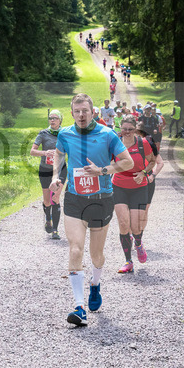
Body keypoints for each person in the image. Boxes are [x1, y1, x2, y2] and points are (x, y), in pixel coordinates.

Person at [50, 93, 134, 326]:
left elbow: (128, 162)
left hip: (101, 199)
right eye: (77, 111)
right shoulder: (65, 134)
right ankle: (79, 307)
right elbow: (58, 153)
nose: (81, 115)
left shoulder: (107, 135)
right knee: (75, 249)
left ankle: (95, 284)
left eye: (85, 111)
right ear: (72, 113)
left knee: (96, 254)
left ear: (92, 112)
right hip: (75, 199)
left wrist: (103, 171)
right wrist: (57, 176)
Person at [111, 116, 155, 273]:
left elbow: (152, 161)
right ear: (120, 129)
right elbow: (108, 162)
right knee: (123, 223)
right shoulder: (115, 144)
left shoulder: (143, 144)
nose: (127, 132)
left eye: (130, 129)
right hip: (119, 185)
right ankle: (128, 261)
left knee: (136, 226)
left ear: (136, 130)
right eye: (124, 129)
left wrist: (143, 173)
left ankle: (138, 242)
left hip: (139, 186)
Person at [31, 110, 67, 239]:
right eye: (50, 118)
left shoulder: (65, 133)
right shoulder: (43, 133)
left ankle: (55, 230)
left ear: (60, 120)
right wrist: (45, 153)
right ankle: (48, 218)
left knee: (55, 198)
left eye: (55, 118)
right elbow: (32, 151)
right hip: (45, 169)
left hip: (60, 169)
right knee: (47, 201)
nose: (52, 120)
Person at [135, 125, 165, 249]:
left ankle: (139, 237)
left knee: (144, 210)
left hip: (147, 181)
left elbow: (160, 163)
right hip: (132, 181)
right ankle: (133, 232)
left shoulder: (150, 145)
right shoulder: (127, 145)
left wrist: (153, 175)